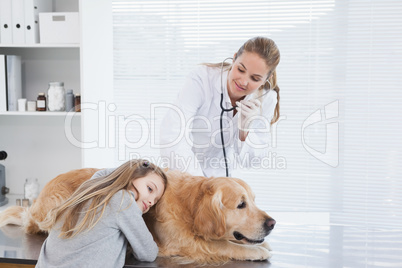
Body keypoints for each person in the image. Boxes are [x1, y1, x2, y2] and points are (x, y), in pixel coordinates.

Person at [160, 36, 281, 177]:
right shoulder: (202, 79)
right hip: (184, 174)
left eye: (255, 78)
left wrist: (244, 130)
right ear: (234, 59)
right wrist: (200, 183)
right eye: (240, 69)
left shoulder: (266, 99)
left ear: (267, 79)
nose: (243, 82)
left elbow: (251, 161)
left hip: (221, 178)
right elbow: (172, 135)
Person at [36, 159, 168, 268]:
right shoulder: (124, 201)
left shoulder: (91, 187)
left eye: (155, 201)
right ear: (132, 176)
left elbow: (103, 175)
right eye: (150, 189)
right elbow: (148, 252)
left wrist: (134, 168)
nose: (151, 202)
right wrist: (133, 169)